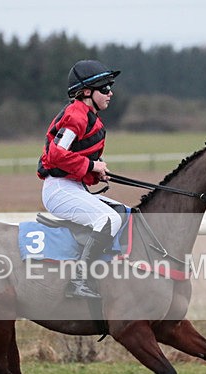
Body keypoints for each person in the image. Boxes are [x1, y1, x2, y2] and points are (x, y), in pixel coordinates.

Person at [37, 59, 122, 299]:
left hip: (73, 187)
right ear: (86, 92)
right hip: (59, 190)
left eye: (110, 87)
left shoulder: (86, 114)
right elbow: (56, 154)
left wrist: (94, 171)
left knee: (124, 213)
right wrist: (93, 165)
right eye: (104, 88)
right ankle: (79, 280)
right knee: (108, 220)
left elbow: (72, 156)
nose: (110, 93)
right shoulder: (76, 115)